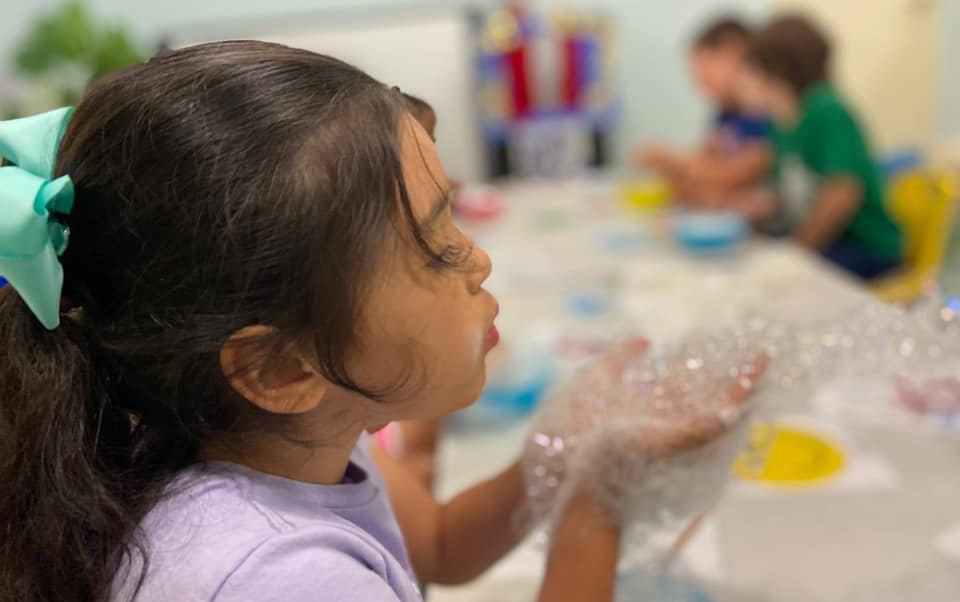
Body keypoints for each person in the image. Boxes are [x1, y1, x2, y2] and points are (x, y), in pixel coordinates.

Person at [0, 41, 759, 602]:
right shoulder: (280, 580)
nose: (477, 262)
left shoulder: (278, 438)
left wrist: (576, 446)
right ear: (280, 369)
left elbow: (440, 544)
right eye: (432, 248)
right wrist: (603, 497)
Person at [735, 16, 902, 279]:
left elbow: (842, 192)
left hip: (866, 247)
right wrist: (762, 206)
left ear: (776, 72)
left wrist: (797, 250)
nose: (741, 81)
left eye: (750, 69)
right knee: (751, 259)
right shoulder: (781, 121)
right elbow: (793, 189)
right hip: (828, 242)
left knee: (775, 280)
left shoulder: (827, 109)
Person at [637, 17, 772, 203]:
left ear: (732, 52)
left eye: (705, 75)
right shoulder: (726, 110)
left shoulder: (764, 110)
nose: (701, 86)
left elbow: (741, 174)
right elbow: (704, 160)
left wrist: (672, 163)